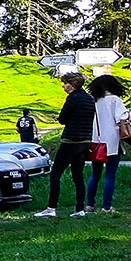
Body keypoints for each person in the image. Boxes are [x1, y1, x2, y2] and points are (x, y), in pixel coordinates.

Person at [35, 71, 96, 218]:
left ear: (73, 85)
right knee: (78, 175)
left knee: (56, 173)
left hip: (71, 140)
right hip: (85, 141)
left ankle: (51, 208)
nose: (63, 86)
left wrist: (62, 118)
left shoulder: (72, 98)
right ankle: (79, 209)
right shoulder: (89, 99)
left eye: (65, 83)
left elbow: (63, 119)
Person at [85, 73, 131, 213]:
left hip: (96, 142)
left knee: (95, 175)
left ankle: (90, 204)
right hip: (112, 142)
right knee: (110, 175)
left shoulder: (94, 101)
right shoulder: (114, 100)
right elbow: (122, 118)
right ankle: (106, 206)